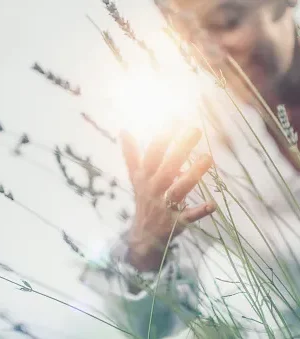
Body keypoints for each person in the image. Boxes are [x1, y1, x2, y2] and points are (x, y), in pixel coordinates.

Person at [80, 0, 300, 338]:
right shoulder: (200, 149)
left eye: (227, 22)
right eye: (188, 37)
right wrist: (145, 250)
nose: (209, 52)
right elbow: (148, 325)